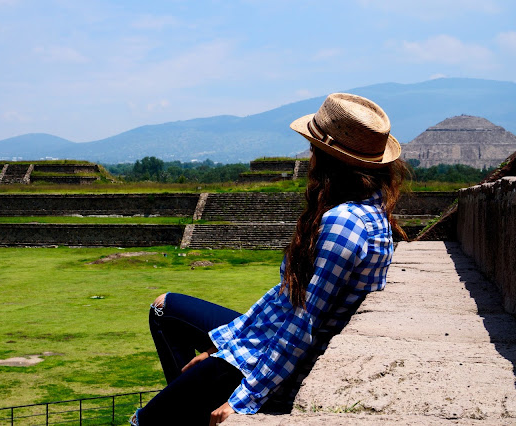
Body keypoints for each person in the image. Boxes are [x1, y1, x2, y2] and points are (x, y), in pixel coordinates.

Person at [129, 93, 408, 426]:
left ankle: (184, 410)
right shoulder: (371, 210)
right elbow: (284, 302)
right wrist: (220, 349)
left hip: (262, 358)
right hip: (261, 336)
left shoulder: (344, 223)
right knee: (163, 309)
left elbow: (304, 324)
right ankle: (190, 403)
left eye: (312, 149)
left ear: (326, 158)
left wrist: (245, 398)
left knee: (144, 422)